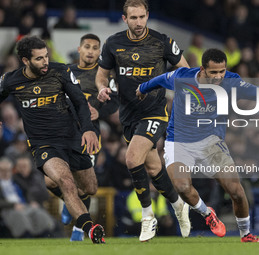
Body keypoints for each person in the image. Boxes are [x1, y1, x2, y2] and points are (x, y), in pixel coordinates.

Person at [136, 48, 259, 242]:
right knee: (182, 186)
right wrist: (142, 88)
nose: (218, 76)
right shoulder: (182, 76)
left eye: (221, 71)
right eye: (213, 72)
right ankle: (208, 214)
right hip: (178, 141)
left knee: (236, 191)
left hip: (211, 142)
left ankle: (246, 234)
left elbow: (255, 92)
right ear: (202, 69)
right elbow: (159, 79)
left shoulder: (231, 80)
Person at [0, 36, 105, 244]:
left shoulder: (60, 72)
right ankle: (90, 228)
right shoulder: (11, 80)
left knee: (90, 188)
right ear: (25, 61)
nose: (45, 62)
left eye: (46, 56)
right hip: (43, 143)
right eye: (39, 59)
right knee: (67, 182)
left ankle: (72, 207)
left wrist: (87, 130)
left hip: (71, 137)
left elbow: (79, 102)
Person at [96, 0, 190, 241]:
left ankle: (148, 218)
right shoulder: (113, 44)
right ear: (124, 18)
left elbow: (184, 70)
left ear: (148, 15)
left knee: (131, 158)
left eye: (142, 17)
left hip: (155, 111)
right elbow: (101, 77)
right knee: (153, 168)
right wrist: (102, 89)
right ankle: (179, 205)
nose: (138, 22)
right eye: (133, 18)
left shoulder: (162, 42)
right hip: (128, 115)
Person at [45, 33, 119, 242]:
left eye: (95, 48)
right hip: (62, 133)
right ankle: (71, 202)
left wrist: (100, 112)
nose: (91, 51)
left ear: (99, 51)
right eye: (87, 47)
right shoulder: (65, 72)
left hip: (88, 136)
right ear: (79, 49)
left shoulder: (103, 76)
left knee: (87, 186)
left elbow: (114, 101)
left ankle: (79, 229)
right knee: (51, 182)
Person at [0, 156, 55, 238]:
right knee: (19, 216)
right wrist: (12, 205)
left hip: (23, 206)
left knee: (38, 213)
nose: (5, 173)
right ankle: (27, 236)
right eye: (2, 170)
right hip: (6, 209)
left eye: (8, 170)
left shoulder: (15, 180)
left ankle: (46, 234)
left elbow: (27, 192)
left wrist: (31, 201)